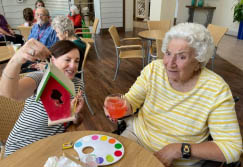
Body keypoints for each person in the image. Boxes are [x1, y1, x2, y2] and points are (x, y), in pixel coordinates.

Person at [104, 23, 242, 167]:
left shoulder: (216, 89)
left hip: (179, 161)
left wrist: (180, 150)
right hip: (137, 138)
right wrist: (119, 106)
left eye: (182, 57)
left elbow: (232, 148)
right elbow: (131, 102)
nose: (170, 64)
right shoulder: (154, 70)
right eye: (168, 53)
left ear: (198, 62)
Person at [0, 39, 84, 156]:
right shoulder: (40, 77)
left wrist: (73, 114)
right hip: (20, 148)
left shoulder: (78, 85)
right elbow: (9, 92)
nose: (73, 65)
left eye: (77, 61)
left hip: (50, 148)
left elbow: (76, 120)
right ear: (53, 60)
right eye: (67, 60)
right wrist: (17, 59)